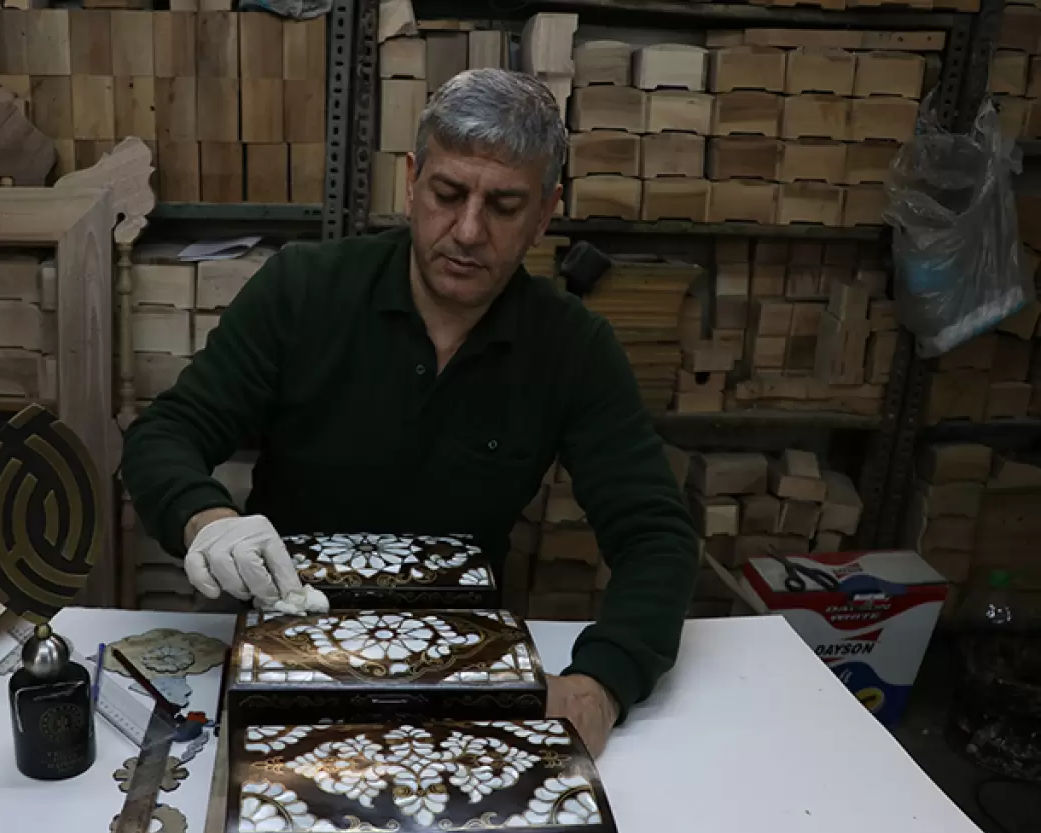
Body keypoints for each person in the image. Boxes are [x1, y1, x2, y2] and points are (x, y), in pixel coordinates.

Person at [122, 68, 699, 752]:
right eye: (447, 194)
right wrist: (207, 519)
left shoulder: (572, 347)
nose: (468, 231)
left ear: (546, 213)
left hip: (462, 668)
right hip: (286, 644)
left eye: (505, 206)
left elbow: (655, 534)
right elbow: (166, 434)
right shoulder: (304, 291)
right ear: (411, 181)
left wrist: (603, 680)